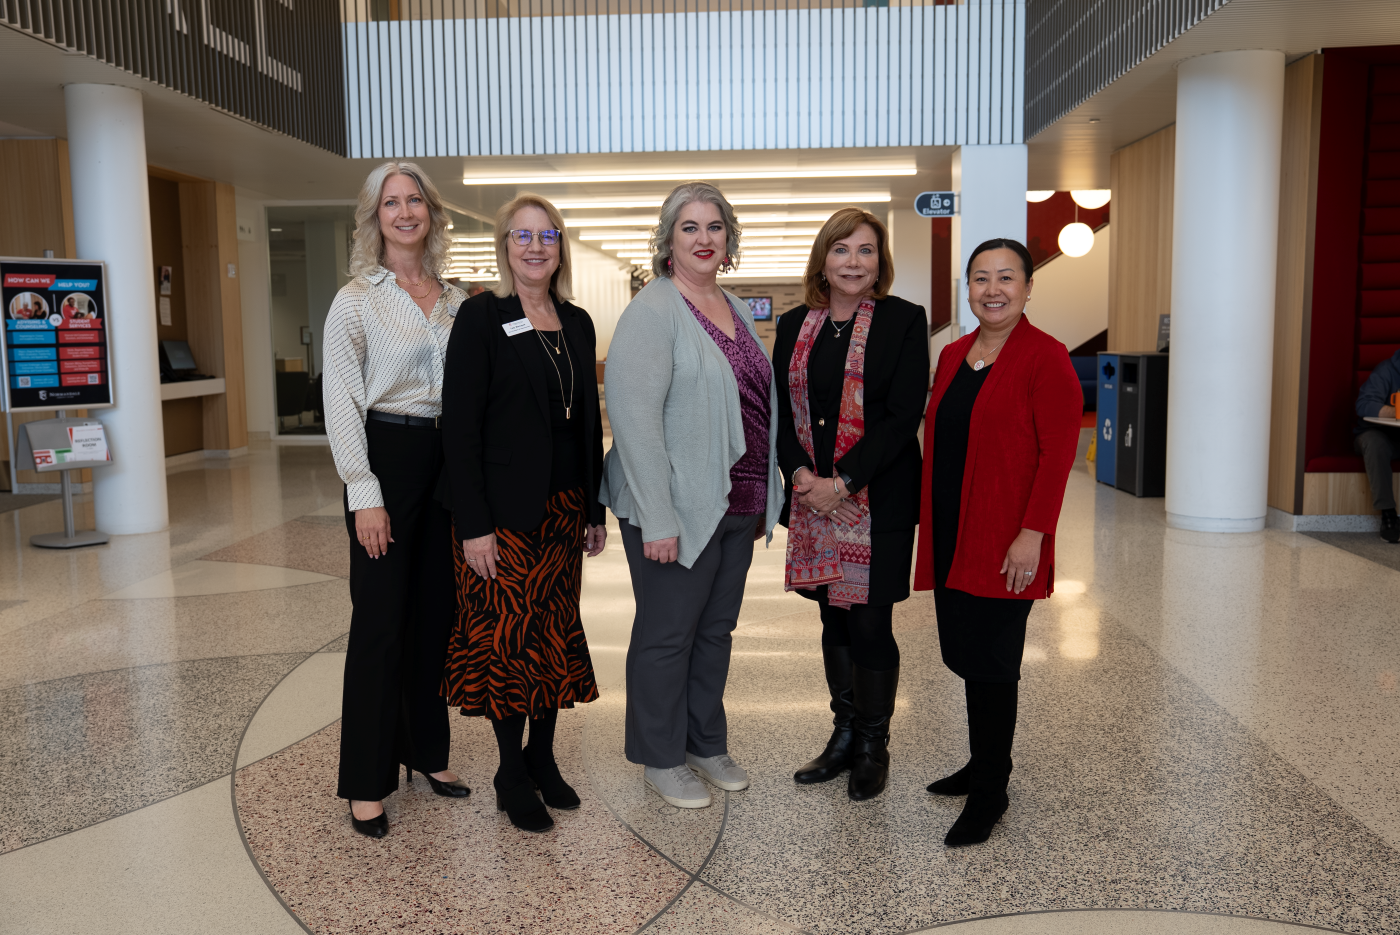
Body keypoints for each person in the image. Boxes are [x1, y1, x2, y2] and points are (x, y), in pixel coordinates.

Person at [601, 181, 783, 810]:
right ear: (668, 241)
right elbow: (635, 422)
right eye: (690, 228)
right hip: (676, 507)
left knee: (714, 633)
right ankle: (660, 755)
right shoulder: (654, 311)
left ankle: (705, 743)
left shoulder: (732, 305)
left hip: (736, 504)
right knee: (668, 634)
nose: (704, 239)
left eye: (715, 227)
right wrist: (657, 517)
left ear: (729, 242)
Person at [440, 194, 606, 834]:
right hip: (503, 515)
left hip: (563, 511)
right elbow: (460, 427)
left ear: (560, 246)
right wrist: (473, 525)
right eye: (522, 236)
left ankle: (542, 754)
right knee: (511, 641)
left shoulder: (578, 321)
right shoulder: (483, 317)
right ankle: (510, 770)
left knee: (555, 634)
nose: (536, 247)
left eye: (548, 236)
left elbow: (587, 423)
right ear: (505, 246)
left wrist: (592, 505)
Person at [914, 238, 1082, 846]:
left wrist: (1032, 534)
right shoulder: (954, 355)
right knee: (965, 656)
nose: (993, 289)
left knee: (993, 663)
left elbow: (1057, 453)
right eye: (980, 278)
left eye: (1006, 278)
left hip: (1008, 538)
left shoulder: (1046, 357)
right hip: (956, 532)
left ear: (1029, 287)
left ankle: (992, 789)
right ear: (968, 288)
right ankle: (980, 763)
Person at [323, 161, 470, 840]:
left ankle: (427, 753)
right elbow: (343, 404)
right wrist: (365, 493)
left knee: (434, 618)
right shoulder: (355, 299)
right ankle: (366, 779)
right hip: (386, 457)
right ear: (374, 216)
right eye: (392, 202)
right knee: (380, 622)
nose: (406, 211)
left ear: (433, 214)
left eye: (416, 200)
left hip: (446, 465)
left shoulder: (458, 300)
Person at [774, 207, 929, 801]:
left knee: (868, 619)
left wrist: (844, 483)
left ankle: (872, 743)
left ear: (879, 261)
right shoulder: (794, 323)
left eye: (866, 251)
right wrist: (802, 475)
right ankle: (841, 734)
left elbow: (900, 417)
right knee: (830, 616)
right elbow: (784, 412)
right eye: (842, 250)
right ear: (823, 259)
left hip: (877, 500)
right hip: (814, 499)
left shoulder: (903, 321)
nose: (854, 262)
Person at [1354, 348, 1400, 543]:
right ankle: (1388, 514)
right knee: (1375, 443)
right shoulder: (1386, 370)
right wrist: (1397, 411)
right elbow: (1363, 405)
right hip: (1378, 436)